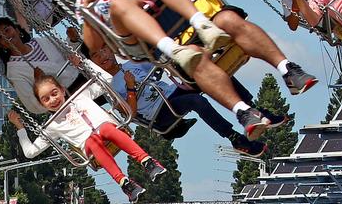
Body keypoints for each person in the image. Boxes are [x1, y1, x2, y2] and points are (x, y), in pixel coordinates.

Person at [57, 0, 314, 111]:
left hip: (173, 14)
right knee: (123, 5)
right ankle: (240, 108)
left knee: (228, 20)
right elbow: (93, 47)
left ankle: (287, 70)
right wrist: (89, 8)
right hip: (140, 36)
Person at [9, 71, 167, 202]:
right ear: (42, 105)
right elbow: (30, 152)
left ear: (63, 90)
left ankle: (147, 162)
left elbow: (107, 78)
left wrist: (81, 64)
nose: (53, 100)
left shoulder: (81, 96)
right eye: (46, 99)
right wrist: (20, 128)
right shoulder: (52, 126)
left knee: (105, 129)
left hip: (108, 129)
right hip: (90, 146)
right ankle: (124, 183)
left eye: (54, 93)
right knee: (93, 140)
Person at [93, 47, 273, 157]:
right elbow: (130, 114)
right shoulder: (110, 88)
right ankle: (234, 138)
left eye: (104, 50)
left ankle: (253, 110)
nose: (103, 55)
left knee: (208, 72)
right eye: (97, 55)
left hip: (171, 94)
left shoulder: (130, 64)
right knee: (196, 101)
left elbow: (157, 60)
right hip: (160, 113)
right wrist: (131, 88)